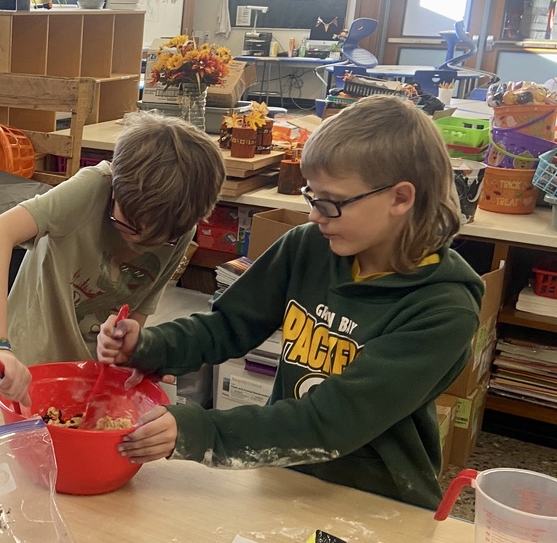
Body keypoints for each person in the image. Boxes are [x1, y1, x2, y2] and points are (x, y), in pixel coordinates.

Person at [96, 94, 484, 510]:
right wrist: (151, 345)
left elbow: (330, 423)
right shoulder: (310, 247)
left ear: (400, 198)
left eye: (331, 202)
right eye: (311, 197)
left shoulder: (443, 308)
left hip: (378, 497)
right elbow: (228, 326)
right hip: (284, 473)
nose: (316, 215)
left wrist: (200, 431)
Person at [0, 111, 226, 406]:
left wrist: (133, 352)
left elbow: (138, 311)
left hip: (91, 381)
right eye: (127, 225)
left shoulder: (179, 227)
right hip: (26, 368)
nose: (141, 242)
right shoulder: (94, 188)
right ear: (115, 187)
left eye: (159, 239)